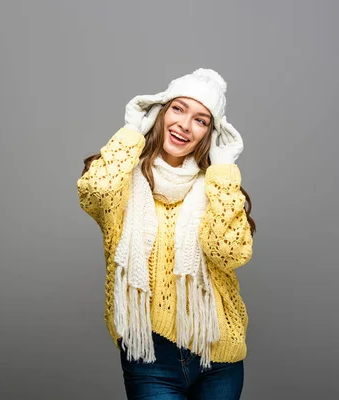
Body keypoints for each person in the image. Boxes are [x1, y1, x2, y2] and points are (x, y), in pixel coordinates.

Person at [76, 68, 256, 399]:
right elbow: (97, 191)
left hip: (219, 356)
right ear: (160, 112)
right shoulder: (122, 180)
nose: (185, 125)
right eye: (178, 109)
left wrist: (223, 170)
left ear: (209, 134)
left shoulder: (218, 187)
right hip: (150, 356)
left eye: (201, 120)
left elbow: (229, 253)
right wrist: (132, 131)